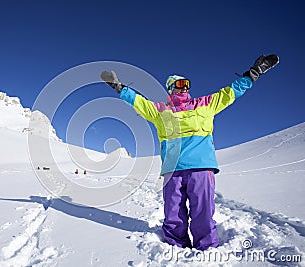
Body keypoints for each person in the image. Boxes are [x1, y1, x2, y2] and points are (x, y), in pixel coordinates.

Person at [100, 54, 279, 250]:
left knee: (203, 211)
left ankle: (207, 248)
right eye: (181, 83)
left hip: (201, 168)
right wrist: (119, 88)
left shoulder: (205, 105)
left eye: (187, 84)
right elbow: (139, 102)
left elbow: (230, 93)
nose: (185, 87)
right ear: (171, 87)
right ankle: (176, 248)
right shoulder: (160, 111)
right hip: (172, 170)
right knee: (173, 212)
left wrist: (252, 74)